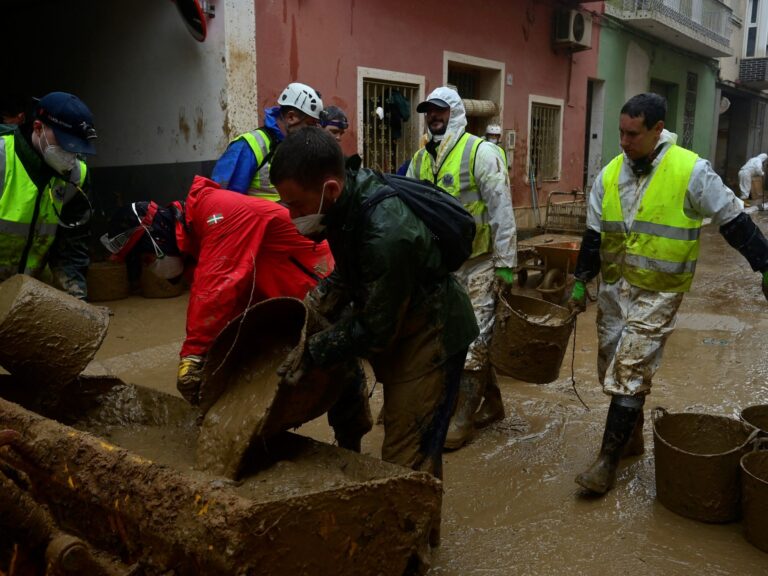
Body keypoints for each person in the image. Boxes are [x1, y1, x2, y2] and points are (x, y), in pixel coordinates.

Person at [567, 92, 768, 496]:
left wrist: (764, 264)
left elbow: (732, 220)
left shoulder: (691, 171)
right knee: (611, 367)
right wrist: (579, 280)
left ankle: (605, 463)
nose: (624, 142)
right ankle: (632, 439)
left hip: (658, 293)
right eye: (620, 132)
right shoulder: (609, 174)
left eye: (633, 134)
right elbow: (593, 234)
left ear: (658, 130)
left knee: (629, 370)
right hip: (613, 291)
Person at [270, 126, 478, 483]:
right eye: (285, 205)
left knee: (405, 462)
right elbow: (347, 275)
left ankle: (416, 535)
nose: (292, 216)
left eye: (297, 206)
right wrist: (309, 308)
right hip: (398, 311)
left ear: (329, 189)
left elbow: (376, 331)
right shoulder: (343, 203)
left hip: (433, 338)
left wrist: (313, 350)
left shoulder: (386, 234)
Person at [101, 175, 335, 405]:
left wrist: (193, 356)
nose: (149, 266)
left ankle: (350, 436)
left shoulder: (218, 211)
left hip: (318, 282)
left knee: (337, 363)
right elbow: (228, 304)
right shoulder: (196, 240)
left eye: (146, 257)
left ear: (158, 237)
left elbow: (216, 288)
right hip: (282, 294)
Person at [407, 87, 517, 450]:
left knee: (474, 339)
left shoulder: (481, 152)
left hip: (481, 262)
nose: (433, 117)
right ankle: (494, 403)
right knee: (453, 338)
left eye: (439, 111)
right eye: (428, 112)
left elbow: (502, 210)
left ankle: (463, 418)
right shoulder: (421, 158)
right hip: (443, 267)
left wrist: (505, 266)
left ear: (454, 113)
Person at [0, 91, 97, 299]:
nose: (70, 155)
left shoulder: (77, 177)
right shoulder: (2, 158)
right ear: (38, 128)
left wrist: (76, 300)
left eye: (76, 147)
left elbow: (70, 250)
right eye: (65, 144)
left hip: (29, 295)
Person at [211, 82, 323, 200]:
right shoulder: (248, 145)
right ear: (291, 118)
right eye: (310, 124)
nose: (313, 131)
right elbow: (224, 201)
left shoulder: (297, 146)